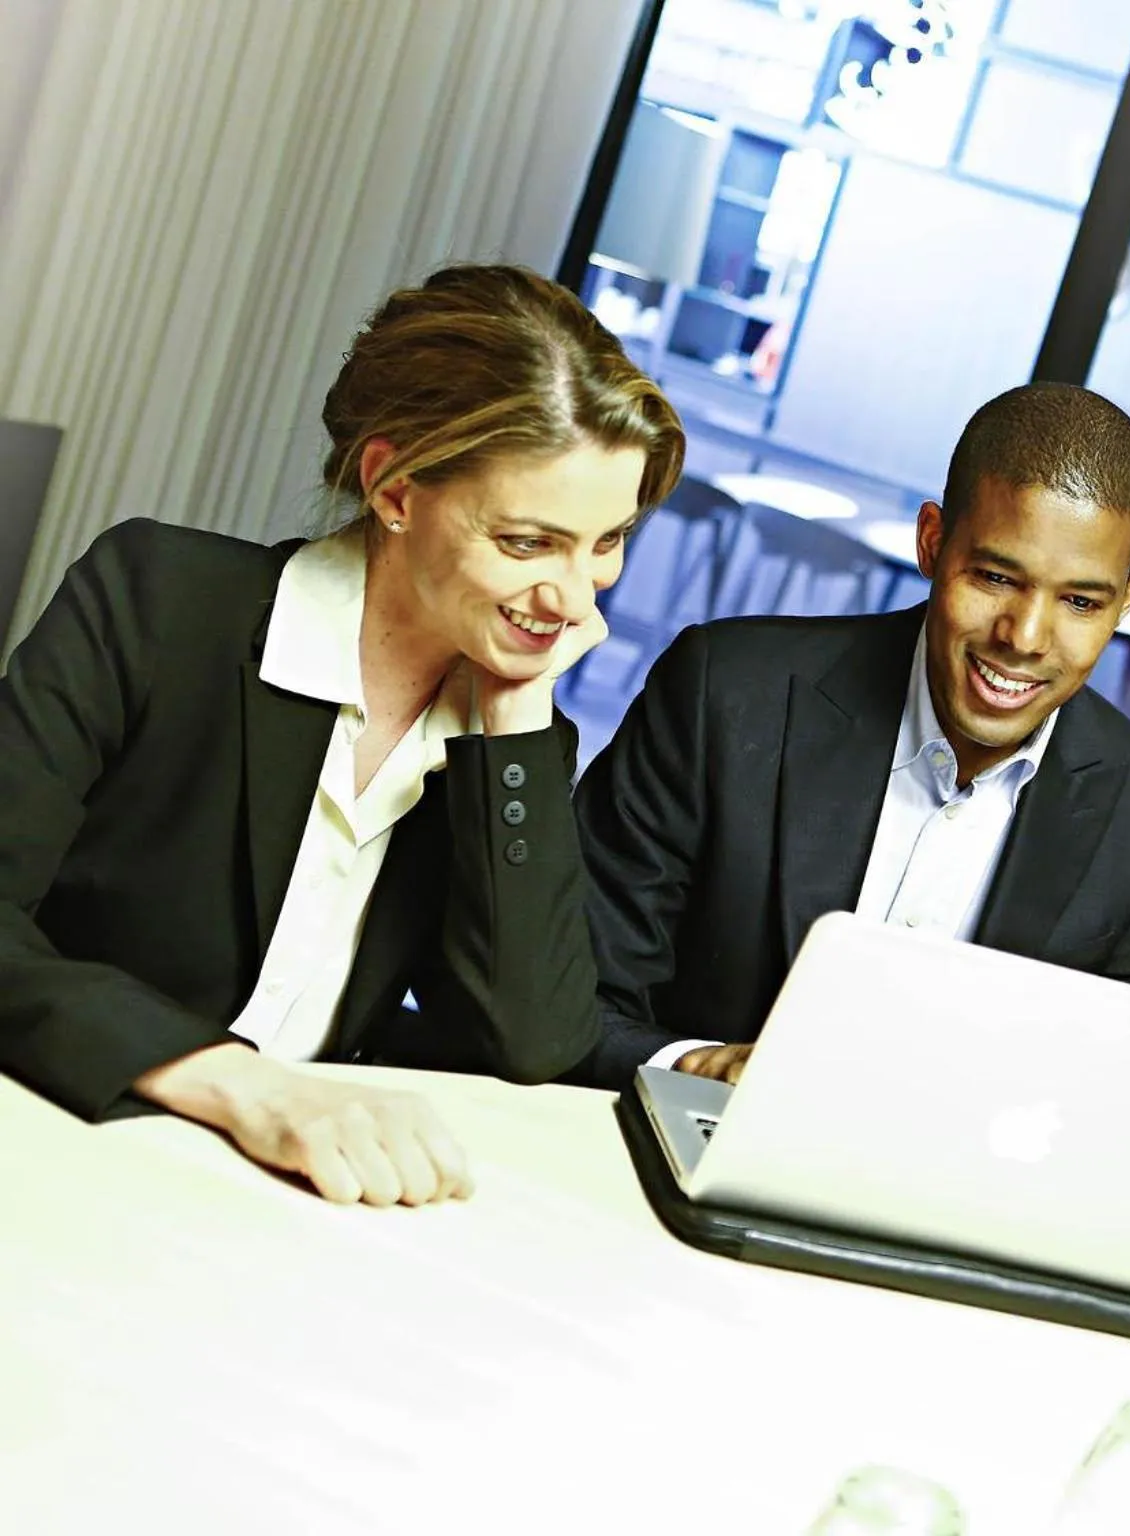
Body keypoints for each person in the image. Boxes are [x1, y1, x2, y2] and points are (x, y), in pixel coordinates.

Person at [0, 264, 684, 1204]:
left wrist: (518, 715)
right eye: (529, 542)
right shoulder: (158, 603)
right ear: (395, 488)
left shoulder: (508, 731)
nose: (574, 599)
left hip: (297, 1202)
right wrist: (240, 1084)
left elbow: (531, 1044)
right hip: (63, 1136)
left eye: (607, 542)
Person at [574, 382, 1130, 1088]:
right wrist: (697, 1068)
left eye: (1081, 602)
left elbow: (1113, 1097)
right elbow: (567, 998)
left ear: (1129, 598)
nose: (1024, 638)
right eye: (997, 577)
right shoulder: (724, 695)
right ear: (933, 542)